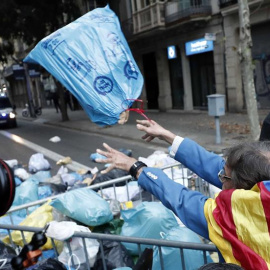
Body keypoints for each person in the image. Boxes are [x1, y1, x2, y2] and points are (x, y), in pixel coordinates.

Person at [96, 119, 270, 270]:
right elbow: (214, 165)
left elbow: (180, 198)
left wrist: (135, 167)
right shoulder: (262, 184)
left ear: (243, 188)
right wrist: (167, 136)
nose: (219, 177)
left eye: (223, 176)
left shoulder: (234, 217)